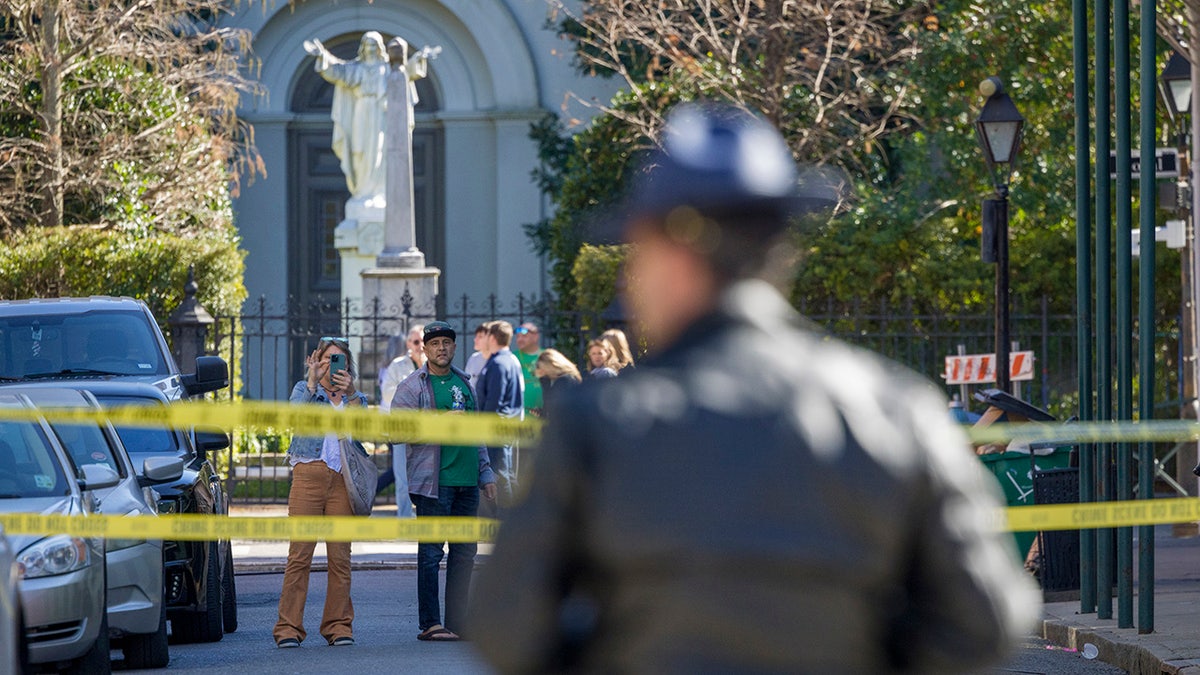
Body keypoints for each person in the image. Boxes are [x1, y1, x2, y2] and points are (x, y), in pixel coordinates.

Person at [470, 103, 1039, 673]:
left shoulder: (597, 424)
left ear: (675, 254)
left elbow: (506, 625)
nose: (631, 279)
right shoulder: (896, 408)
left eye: (638, 255)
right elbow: (985, 618)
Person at [391, 321, 497, 642]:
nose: (441, 348)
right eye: (435, 343)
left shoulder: (464, 383)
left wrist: (486, 473)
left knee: (464, 555)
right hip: (433, 484)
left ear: (454, 347)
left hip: (467, 482)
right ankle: (430, 624)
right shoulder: (412, 386)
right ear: (425, 349)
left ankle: (458, 622)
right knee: (431, 555)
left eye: (446, 343)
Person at [274, 337, 368, 649]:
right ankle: (288, 628)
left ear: (348, 365)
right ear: (317, 360)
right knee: (299, 556)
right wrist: (312, 382)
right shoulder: (305, 390)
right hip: (308, 477)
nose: (332, 364)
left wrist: (351, 394)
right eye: (327, 358)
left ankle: (338, 626)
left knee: (340, 558)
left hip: (342, 481)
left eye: (339, 359)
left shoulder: (355, 399)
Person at [303, 32, 390, 199]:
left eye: (374, 45)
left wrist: (418, 60)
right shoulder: (356, 68)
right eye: (368, 45)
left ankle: (376, 191)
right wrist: (323, 55)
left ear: (379, 48)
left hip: (379, 111)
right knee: (359, 149)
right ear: (363, 47)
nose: (371, 48)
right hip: (361, 109)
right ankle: (360, 189)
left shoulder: (386, 68)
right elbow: (338, 71)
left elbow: (404, 75)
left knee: (377, 149)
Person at [476, 320, 524, 515]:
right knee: (507, 474)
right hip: (506, 426)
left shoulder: (499, 363)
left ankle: (507, 519)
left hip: (496, 428)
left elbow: (494, 400)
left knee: (501, 475)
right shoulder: (510, 360)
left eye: (487, 335)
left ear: (493, 337)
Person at [379, 324, 425, 413]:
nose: (421, 345)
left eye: (424, 341)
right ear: (409, 344)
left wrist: (421, 364)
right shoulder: (397, 364)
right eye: (416, 342)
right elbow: (387, 394)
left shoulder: (434, 364)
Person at [532, 348, 581, 415]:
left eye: (541, 367)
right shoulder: (569, 377)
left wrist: (545, 382)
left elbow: (552, 409)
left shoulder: (563, 381)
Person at [513, 323, 543, 416]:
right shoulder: (512, 357)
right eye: (518, 337)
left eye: (524, 336)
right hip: (520, 414)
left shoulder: (547, 356)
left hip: (545, 414)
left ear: (535, 337)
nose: (520, 339)